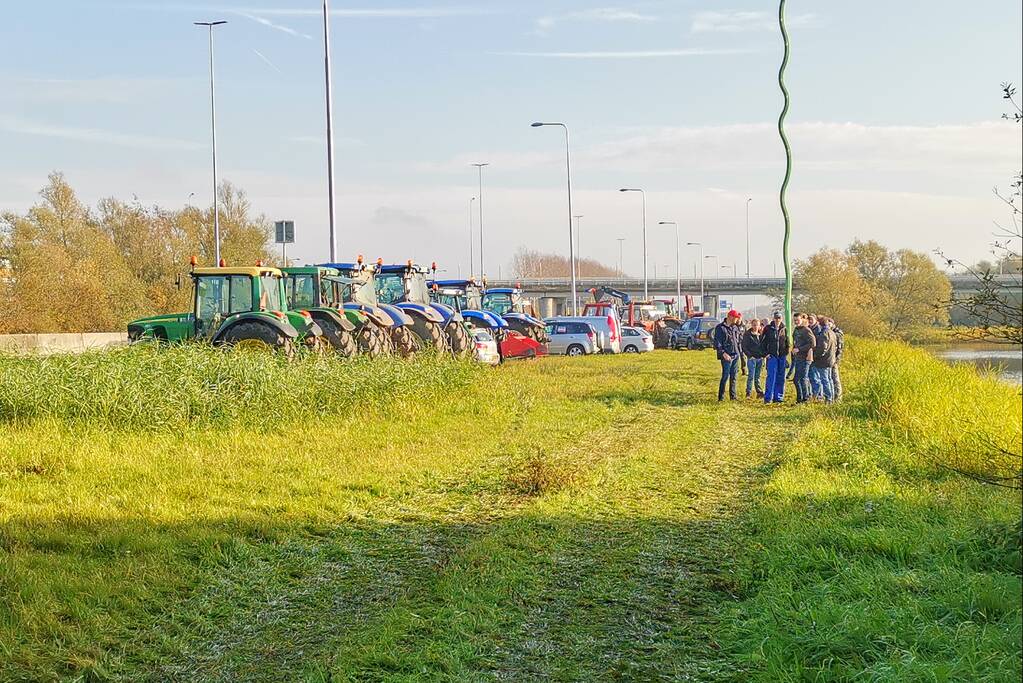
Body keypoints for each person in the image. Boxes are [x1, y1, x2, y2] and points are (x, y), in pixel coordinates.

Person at [713, 310, 743, 401]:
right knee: (725, 376)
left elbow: (738, 341)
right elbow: (717, 343)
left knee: (734, 377)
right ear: (730, 317)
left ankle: (733, 397)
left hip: (735, 355)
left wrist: (740, 353)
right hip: (726, 356)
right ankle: (721, 397)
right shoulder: (720, 328)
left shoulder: (735, 327)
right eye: (736, 317)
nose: (737, 319)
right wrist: (723, 353)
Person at [761, 311, 790, 404]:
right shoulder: (768, 329)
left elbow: (787, 342)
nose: (777, 320)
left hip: (781, 356)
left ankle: (778, 397)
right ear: (773, 318)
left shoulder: (784, 329)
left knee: (781, 377)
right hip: (772, 356)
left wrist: (786, 353)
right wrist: (766, 354)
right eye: (776, 318)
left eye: (779, 318)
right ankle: (768, 397)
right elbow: (762, 343)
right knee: (771, 377)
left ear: (781, 319)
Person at [810, 317, 837, 404]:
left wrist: (815, 356)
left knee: (825, 380)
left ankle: (828, 399)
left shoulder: (824, 333)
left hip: (823, 361)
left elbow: (822, 348)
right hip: (830, 359)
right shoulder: (832, 332)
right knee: (829, 379)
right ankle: (831, 398)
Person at [791, 313, 816, 404]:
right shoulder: (796, 330)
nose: (796, 322)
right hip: (798, 357)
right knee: (796, 379)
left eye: (797, 320)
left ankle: (806, 399)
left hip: (805, 358)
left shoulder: (806, 330)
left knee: (803, 378)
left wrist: (799, 349)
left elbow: (813, 343)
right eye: (794, 320)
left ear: (802, 319)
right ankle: (799, 399)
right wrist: (793, 349)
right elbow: (795, 342)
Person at [741, 318, 766, 398]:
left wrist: (763, 356)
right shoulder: (747, 334)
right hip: (752, 359)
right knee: (751, 376)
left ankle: (759, 391)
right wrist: (749, 356)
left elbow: (764, 346)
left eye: (757, 325)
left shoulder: (761, 335)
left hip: (760, 358)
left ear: (759, 326)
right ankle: (748, 392)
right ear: (751, 325)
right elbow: (744, 346)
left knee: (757, 376)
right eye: (754, 325)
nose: (755, 327)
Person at [831, 319, 845, 401]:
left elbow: (839, 349)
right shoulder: (832, 332)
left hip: (835, 359)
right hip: (831, 358)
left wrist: (836, 360)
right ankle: (835, 396)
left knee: (835, 378)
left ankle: (838, 397)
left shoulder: (837, 334)